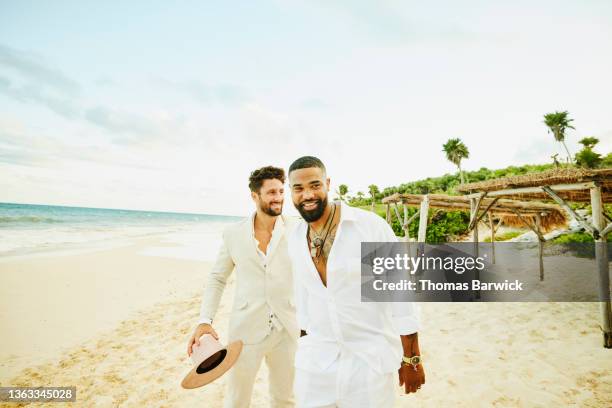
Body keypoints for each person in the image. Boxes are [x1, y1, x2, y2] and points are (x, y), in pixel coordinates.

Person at [287, 156, 425, 408]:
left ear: (328, 183)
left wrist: (412, 358)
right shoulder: (295, 237)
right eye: (298, 188)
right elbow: (304, 295)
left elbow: (400, 294)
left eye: (315, 185)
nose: (307, 194)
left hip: (368, 362)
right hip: (317, 362)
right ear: (291, 192)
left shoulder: (370, 227)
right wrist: (305, 341)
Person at [187, 166, 299, 408]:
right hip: (245, 331)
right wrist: (204, 320)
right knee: (237, 399)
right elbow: (217, 278)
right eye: (271, 192)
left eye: (281, 191)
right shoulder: (233, 234)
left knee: (285, 398)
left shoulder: (298, 229)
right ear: (254, 196)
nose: (278, 197)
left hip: (288, 329)